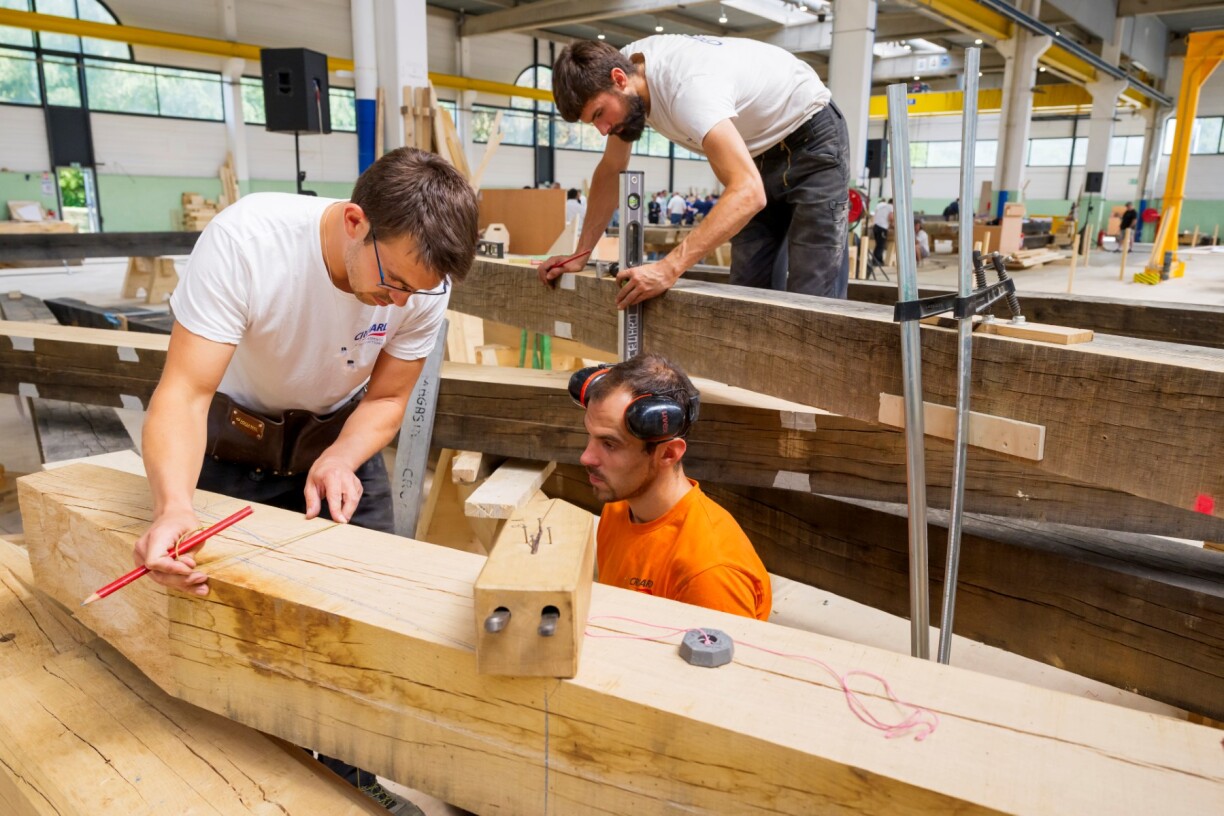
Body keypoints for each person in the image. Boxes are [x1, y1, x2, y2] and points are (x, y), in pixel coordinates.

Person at [132, 147, 479, 813]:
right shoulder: (248, 242)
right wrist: (173, 506)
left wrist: (344, 456)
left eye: (418, 289)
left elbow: (384, 402)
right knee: (240, 633)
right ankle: (262, 788)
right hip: (236, 446)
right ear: (355, 221)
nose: (400, 300)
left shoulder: (423, 280)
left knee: (371, 619)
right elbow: (182, 394)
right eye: (394, 281)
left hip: (334, 437)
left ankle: (354, 777)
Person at [540, 36, 851, 307]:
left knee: (813, 295)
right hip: (755, 152)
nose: (603, 129)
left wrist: (668, 268)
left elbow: (748, 192)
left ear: (620, 79)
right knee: (748, 293)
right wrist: (581, 253)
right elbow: (611, 169)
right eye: (593, 123)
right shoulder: (624, 77)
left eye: (599, 115)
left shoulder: (688, 90)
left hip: (811, 135)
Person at [571, 354, 772, 620]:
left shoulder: (708, 573)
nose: (586, 457)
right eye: (591, 436)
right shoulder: (620, 507)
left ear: (668, 454)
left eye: (609, 444)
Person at [872, 198, 894, 265]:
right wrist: (893, 224)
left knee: (878, 244)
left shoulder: (883, 207)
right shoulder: (891, 207)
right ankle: (877, 261)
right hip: (882, 228)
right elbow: (891, 217)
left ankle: (875, 260)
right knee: (881, 245)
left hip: (876, 226)